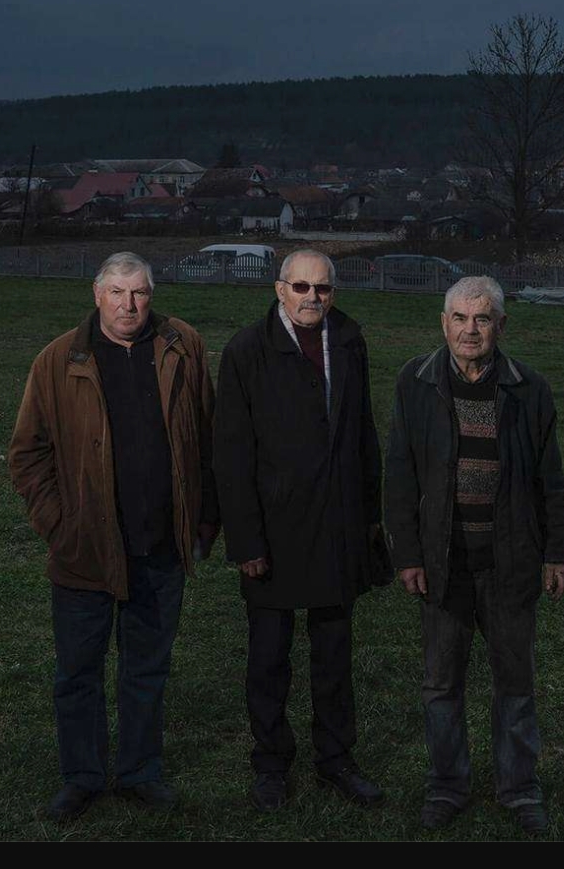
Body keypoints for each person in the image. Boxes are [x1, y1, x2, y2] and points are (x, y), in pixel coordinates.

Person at [8, 252, 218, 821]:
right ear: (97, 295)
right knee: (78, 671)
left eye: (140, 292)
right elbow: (27, 453)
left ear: (152, 295)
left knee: (146, 669)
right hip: (86, 551)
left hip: (160, 546)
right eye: (118, 293)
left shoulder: (182, 345)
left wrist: (203, 520)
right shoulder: (58, 360)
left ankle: (139, 772)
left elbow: (209, 435)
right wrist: (59, 525)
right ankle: (82, 777)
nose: (129, 305)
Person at [383, 275, 564, 836]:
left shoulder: (528, 389)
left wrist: (557, 552)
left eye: (482, 318)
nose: (471, 330)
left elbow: (551, 479)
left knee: (515, 683)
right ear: (444, 324)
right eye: (461, 319)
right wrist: (408, 555)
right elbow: (400, 476)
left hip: (510, 561)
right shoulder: (415, 381)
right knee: (441, 685)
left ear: (500, 326)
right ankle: (447, 786)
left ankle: (519, 788)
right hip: (443, 563)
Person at [213, 248, 386, 812]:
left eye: (323, 288)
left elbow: (362, 433)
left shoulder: (350, 341)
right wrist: (246, 541)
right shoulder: (246, 350)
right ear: (279, 289)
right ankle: (270, 764)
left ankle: (336, 758)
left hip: (337, 525)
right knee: (269, 658)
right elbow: (231, 454)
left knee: (334, 655)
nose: (313, 297)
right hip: (274, 532)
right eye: (302, 287)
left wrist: (370, 520)